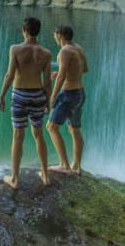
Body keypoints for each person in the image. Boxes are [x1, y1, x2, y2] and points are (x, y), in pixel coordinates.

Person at [0, 17, 52, 188]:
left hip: (20, 95)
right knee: (38, 134)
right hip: (38, 95)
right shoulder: (45, 53)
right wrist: (48, 101)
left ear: (24, 30)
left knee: (18, 135)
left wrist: (2, 96)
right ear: (38, 31)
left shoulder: (16, 49)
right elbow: (48, 82)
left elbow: (10, 75)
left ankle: (14, 178)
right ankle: (45, 174)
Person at [47, 25, 88, 176]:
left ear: (60, 35)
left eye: (55, 35)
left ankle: (64, 165)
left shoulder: (64, 51)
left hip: (68, 94)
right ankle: (76, 166)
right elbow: (84, 69)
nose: (54, 38)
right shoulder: (79, 49)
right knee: (74, 129)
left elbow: (63, 77)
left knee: (51, 127)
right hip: (80, 93)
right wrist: (61, 72)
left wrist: (52, 96)